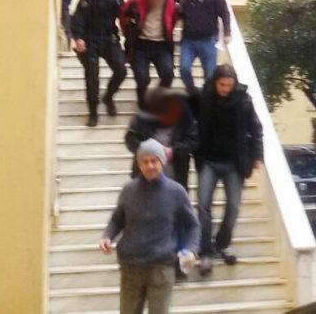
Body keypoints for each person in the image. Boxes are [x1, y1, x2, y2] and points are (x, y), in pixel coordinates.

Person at [101, 139, 200, 314]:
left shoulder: (176, 192)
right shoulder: (128, 191)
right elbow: (117, 220)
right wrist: (107, 236)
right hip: (131, 267)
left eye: (154, 161)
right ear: (139, 165)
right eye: (145, 162)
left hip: (161, 268)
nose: (150, 166)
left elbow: (193, 225)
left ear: (162, 162)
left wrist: (191, 249)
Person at [195, 64, 263, 275]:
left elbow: (256, 129)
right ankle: (205, 251)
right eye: (222, 85)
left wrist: (257, 155)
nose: (226, 89)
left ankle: (222, 244)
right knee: (203, 205)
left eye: (229, 85)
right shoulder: (204, 98)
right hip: (208, 161)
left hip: (234, 163)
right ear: (215, 82)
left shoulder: (244, 100)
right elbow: (193, 125)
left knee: (233, 207)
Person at [71, 0, 127, 127]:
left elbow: (124, 17)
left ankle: (108, 97)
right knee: (92, 75)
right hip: (90, 39)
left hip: (109, 39)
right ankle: (93, 112)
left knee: (121, 69)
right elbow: (79, 16)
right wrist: (78, 38)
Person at [179, 0, 232, 114]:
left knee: (209, 76)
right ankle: (194, 94)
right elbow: (181, 12)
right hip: (188, 40)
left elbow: (224, 12)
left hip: (208, 40)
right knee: (184, 69)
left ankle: (208, 104)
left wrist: (227, 32)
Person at [125, 85, 198, 191]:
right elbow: (130, 139)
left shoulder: (185, 119)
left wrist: (173, 151)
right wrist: (146, 149)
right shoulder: (141, 119)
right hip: (145, 173)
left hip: (175, 172)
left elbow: (193, 142)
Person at [120, 0, 177, 110]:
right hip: (140, 45)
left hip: (161, 45)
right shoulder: (135, 1)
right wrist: (129, 34)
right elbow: (123, 16)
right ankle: (142, 103)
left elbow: (173, 18)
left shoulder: (169, 2)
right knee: (142, 78)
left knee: (168, 73)